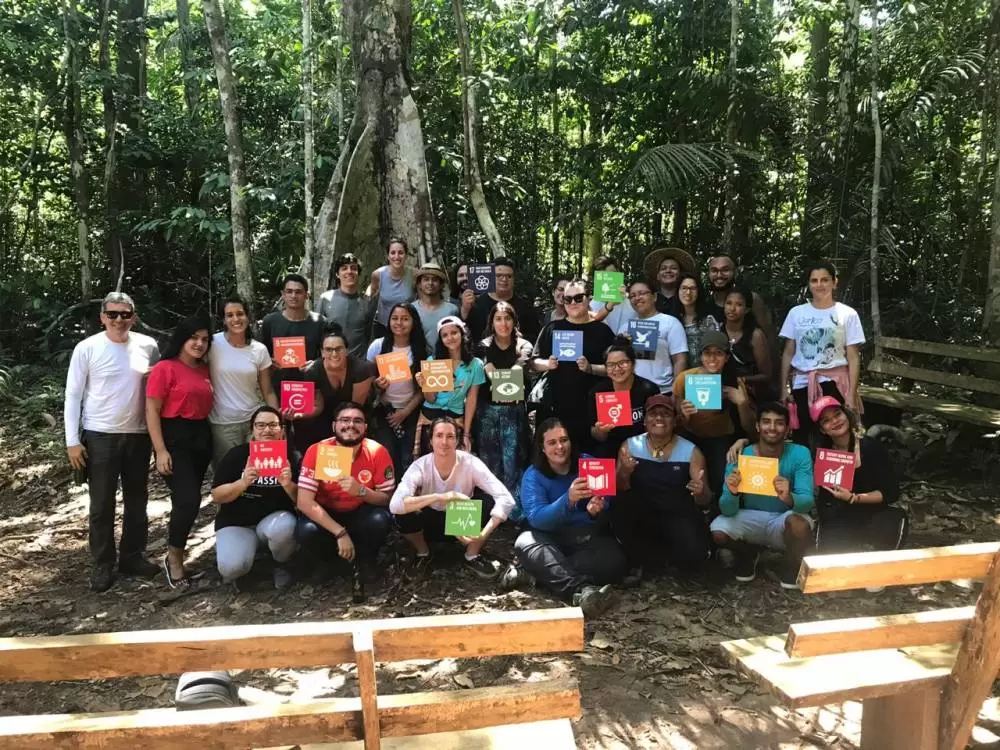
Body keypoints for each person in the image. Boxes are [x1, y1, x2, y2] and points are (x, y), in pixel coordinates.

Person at [64, 292, 161, 592]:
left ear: (134, 316)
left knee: (137, 500)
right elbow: (73, 395)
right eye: (113, 314)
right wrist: (72, 441)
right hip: (100, 434)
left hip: (138, 434)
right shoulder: (87, 348)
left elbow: (157, 391)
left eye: (125, 314)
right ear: (102, 317)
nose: (119, 320)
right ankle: (103, 563)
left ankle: (132, 556)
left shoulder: (148, 345)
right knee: (102, 503)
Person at [506, 418, 626, 618]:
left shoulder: (588, 463)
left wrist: (594, 511)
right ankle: (580, 591)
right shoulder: (533, 475)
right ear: (542, 448)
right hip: (549, 538)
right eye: (552, 443)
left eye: (564, 440)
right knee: (525, 541)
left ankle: (537, 573)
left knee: (615, 561)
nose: (560, 447)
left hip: (584, 538)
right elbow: (537, 518)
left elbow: (607, 499)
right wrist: (568, 500)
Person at [390, 416, 515, 578]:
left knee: (488, 501)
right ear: (431, 440)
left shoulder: (470, 463)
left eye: (450, 436)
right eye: (439, 436)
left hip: (462, 523)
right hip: (430, 524)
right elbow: (395, 505)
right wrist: (440, 497)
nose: (444, 442)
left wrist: (483, 535)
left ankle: (472, 554)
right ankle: (423, 553)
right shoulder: (420, 466)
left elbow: (506, 498)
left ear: (457, 441)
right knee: (404, 512)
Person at [296, 402, 396, 603]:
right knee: (306, 531)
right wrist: (340, 532)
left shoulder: (377, 451)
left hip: (360, 511)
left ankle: (366, 559)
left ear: (365, 427)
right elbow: (304, 502)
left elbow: (387, 498)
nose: (351, 425)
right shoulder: (317, 450)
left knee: (380, 520)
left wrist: (361, 491)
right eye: (345, 420)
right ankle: (329, 562)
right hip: (326, 513)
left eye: (357, 421)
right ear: (334, 426)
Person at [711, 402, 814, 589]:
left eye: (779, 423)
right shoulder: (740, 454)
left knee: (800, 525)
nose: (772, 428)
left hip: (783, 517)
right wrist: (733, 493)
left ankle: (791, 565)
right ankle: (748, 554)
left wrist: (789, 497)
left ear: (788, 429)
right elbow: (726, 510)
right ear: (758, 426)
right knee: (718, 531)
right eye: (766, 422)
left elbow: (807, 501)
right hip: (751, 517)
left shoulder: (800, 453)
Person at [146, 315, 215, 588]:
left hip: (201, 438)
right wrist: (160, 450)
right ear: (182, 339)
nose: (199, 344)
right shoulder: (165, 368)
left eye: (204, 339)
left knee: (188, 501)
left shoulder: (205, 369)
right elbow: (151, 410)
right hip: (174, 437)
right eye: (193, 338)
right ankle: (173, 559)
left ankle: (179, 556)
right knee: (188, 499)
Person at [612, 395, 712, 578]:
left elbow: (705, 499)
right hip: (643, 516)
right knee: (623, 507)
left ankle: (667, 559)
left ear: (674, 421)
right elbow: (620, 488)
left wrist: (700, 491)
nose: (659, 418)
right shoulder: (630, 446)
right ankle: (642, 559)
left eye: (666, 414)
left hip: (677, 514)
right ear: (644, 421)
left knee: (694, 557)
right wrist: (624, 471)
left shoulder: (691, 451)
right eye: (653, 414)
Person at [210, 406, 298, 589]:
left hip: (273, 522)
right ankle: (249, 563)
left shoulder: (290, 456)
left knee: (286, 526)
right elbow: (217, 496)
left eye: (273, 425)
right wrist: (243, 482)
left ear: (282, 430)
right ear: (252, 430)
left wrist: (288, 483)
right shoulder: (237, 455)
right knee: (231, 569)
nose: (267, 430)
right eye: (261, 425)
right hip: (237, 523)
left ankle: (280, 563)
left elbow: (302, 500)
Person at [778, 260, 865, 444]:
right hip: (803, 382)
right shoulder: (796, 313)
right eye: (814, 280)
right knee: (802, 435)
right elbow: (788, 353)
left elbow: (853, 357)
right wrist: (783, 389)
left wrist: (851, 394)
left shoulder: (847, 314)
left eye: (824, 280)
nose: (819, 285)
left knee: (837, 436)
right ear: (809, 284)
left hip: (834, 383)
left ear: (834, 282)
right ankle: (805, 464)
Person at [811, 396, 908, 556]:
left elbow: (890, 492)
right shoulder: (825, 454)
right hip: (841, 515)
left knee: (889, 526)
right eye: (826, 420)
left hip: (875, 511)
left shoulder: (870, 447)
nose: (835, 421)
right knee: (832, 551)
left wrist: (853, 498)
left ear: (846, 414)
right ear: (822, 429)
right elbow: (825, 500)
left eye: (837, 414)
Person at [532, 278, 615, 449]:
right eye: (567, 299)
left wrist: (591, 368)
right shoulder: (552, 328)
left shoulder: (603, 331)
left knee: (591, 457)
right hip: (556, 409)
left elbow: (615, 370)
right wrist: (547, 364)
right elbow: (533, 363)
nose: (572, 303)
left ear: (589, 298)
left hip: (591, 410)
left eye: (578, 298)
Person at [674, 329, 756, 501]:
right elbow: (675, 424)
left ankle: (718, 508)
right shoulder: (684, 379)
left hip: (721, 439)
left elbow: (750, 429)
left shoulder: (735, 382)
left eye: (718, 353)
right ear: (701, 356)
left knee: (721, 481)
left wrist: (742, 403)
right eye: (707, 353)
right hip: (690, 437)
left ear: (727, 357)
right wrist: (685, 415)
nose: (712, 358)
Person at [208, 295, 277, 467]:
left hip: (254, 421)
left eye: (240, 313)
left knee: (259, 472)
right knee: (227, 472)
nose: (235, 319)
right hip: (223, 424)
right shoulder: (212, 343)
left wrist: (276, 422)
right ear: (223, 319)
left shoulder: (259, 349)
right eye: (229, 315)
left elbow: (268, 391)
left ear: (247, 316)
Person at [477, 301, 533, 508]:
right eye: (498, 319)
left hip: (514, 412)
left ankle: (514, 509)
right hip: (488, 412)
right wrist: (503, 385)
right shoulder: (483, 345)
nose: (503, 323)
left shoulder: (524, 345)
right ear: (492, 322)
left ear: (514, 321)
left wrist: (504, 385)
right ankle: (492, 507)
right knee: (490, 460)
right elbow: (489, 369)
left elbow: (518, 369)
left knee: (514, 460)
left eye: (507, 318)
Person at [287, 327, 374, 453]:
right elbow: (318, 407)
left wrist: (340, 430)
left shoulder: (361, 369)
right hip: (325, 416)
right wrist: (299, 414)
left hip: (354, 415)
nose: (334, 354)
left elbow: (355, 408)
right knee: (307, 426)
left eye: (338, 349)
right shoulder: (313, 371)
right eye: (329, 349)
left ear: (346, 351)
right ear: (322, 352)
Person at [367, 303, 427, 476]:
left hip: (411, 411)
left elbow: (424, 388)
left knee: (409, 457)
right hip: (384, 411)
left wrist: (405, 412)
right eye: (395, 318)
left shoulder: (421, 350)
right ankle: (386, 490)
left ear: (414, 322)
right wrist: (377, 385)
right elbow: (367, 379)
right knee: (386, 455)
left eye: (405, 319)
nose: (399, 323)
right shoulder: (378, 346)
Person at [416, 316, 486, 454]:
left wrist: (466, 434)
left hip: (456, 418)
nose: (450, 338)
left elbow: (471, 399)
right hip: (430, 418)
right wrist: (425, 385)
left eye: (454, 332)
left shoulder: (476, 364)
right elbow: (431, 399)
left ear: (462, 333)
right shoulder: (433, 361)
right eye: (445, 335)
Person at [588, 336, 659, 459]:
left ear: (633, 364)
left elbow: (657, 427)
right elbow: (597, 436)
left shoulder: (649, 390)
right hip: (611, 447)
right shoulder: (597, 392)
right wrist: (601, 431)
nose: (617, 368)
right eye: (611, 365)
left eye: (623, 363)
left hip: (645, 446)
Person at [259, 274, 327, 394]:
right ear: (283, 294)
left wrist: (317, 364)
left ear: (306, 295)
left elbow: (327, 354)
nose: (293, 296)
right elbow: (261, 354)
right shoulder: (270, 321)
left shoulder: (320, 322)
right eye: (289, 291)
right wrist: (270, 363)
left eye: (298, 292)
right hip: (278, 388)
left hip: (311, 386)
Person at [617, 278, 688, 393]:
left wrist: (676, 393)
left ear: (654, 297)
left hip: (663, 391)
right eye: (632, 296)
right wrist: (623, 345)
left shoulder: (670, 322)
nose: (637, 298)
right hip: (632, 391)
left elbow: (680, 360)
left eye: (642, 293)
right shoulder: (625, 327)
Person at [465, 257, 540, 343]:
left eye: (509, 276)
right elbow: (467, 335)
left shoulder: (526, 307)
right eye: (499, 275)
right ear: (490, 277)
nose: (504, 279)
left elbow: (535, 338)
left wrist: (520, 339)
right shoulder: (477, 304)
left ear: (514, 279)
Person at [706, 254, 775, 342]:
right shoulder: (704, 303)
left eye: (725, 270)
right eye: (714, 270)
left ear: (735, 272)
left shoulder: (752, 299)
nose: (719, 275)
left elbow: (768, 335)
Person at [317, 254, 374, 358]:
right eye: (344, 268)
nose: (349, 271)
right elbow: (318, 332)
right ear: (337, 274)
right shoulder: (326, 299)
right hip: (332, 360)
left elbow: (369, 335)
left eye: (353, 268)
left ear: (358, 273)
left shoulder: (367, 302)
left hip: (359, 361)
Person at [722, 286, 774, 399]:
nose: (732, 308)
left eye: (739, 305)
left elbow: (766, 375)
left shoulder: (756, 336)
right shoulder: (718, 332)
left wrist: (742, 380)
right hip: (721, 394)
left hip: (750, 396)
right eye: (729, 303)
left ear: (747, 309)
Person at [370, 238, 416, 340]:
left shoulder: (414, 275)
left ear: (406, 255)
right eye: (393, 253)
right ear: (388, 256)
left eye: (401, 253)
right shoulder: (378, 275)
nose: (397, 256)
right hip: (383, 327)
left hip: (407, 328)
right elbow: (372, 300)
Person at [676, 273, 721, 368]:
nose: (688, 292)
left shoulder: (708, 321)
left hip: (704, 374)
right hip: (678, 373)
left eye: (692, 288)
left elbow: (716, 354)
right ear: (678, 291)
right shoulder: (673, 320)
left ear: (698, 292)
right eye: (684, 288)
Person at [412, 262, 460, 350]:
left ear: (441, 284)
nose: (430, 283)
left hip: (446, 356)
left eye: (434, 280)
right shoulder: (411, 309)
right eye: (426, 279)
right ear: (419, 284)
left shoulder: (452, 309)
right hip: (419, 357)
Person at [642, 246, 696, 320]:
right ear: (658, 276)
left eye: (673, 268)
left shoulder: (687, 298)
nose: (668, 271)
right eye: (663, 268)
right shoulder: (649, 300)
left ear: (680, 274)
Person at [588, 256, 635, 332]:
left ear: (619, 273)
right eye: (604, 276)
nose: (609, 279)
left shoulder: (633, 302)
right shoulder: (592, 306)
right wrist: (611, 303)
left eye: (612, 274)